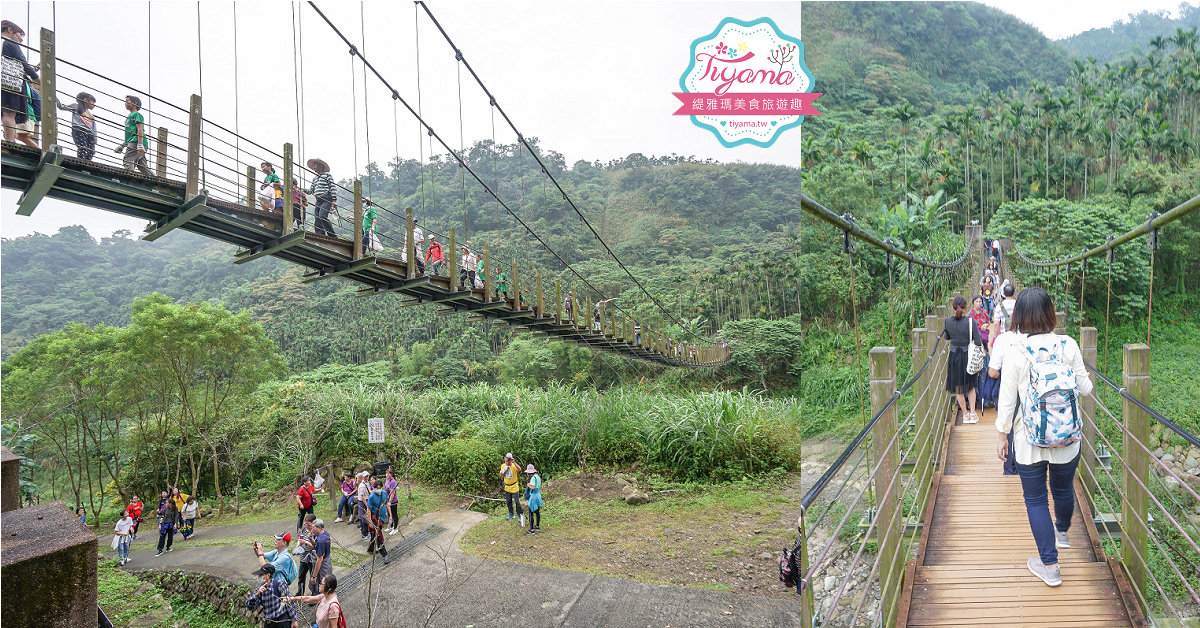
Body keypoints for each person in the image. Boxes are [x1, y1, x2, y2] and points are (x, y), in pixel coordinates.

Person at [995, 287, 1092, 587]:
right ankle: (1062, 531)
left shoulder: (1015, 352)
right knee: (1063, 490)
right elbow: (1086, 389)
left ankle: (1050, 566)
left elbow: (1007, 402)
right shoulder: (1069, 345)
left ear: (1019, 316)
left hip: (1028, 442)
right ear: (1051, 313)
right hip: (1068, 440)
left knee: (1036, 500)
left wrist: (1002, 437)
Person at [942, 295, 984, 424]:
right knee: (971, 386)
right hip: (968, 356)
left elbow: (946, 337)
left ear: (953, 308)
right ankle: (972, 413)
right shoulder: (970, 322)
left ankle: (965, 415)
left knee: (959, 387)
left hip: (955, 357)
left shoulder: (947, 321)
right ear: (966, 307)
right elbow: (977, 341)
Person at [1, 20, 38, 143]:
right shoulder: (10, 43)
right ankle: (10, 141)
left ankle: (8, 139)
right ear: (10, 30)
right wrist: (38, 79)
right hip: (9, 82)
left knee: (5, 114)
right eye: (19, 34)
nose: (21, 39)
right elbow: (23, 64)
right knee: (9, 113)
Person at [245, 562, 297, 628]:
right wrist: (256, 595)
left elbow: (289, 602)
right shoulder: (260, 589)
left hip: (282, 621)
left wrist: (294, 620)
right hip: (269, 623)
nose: (259, 577)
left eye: (261, 575)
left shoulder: (279, 584)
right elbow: (249, 606)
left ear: (268, 575)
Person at [115, 95, 150, 175]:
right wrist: (122, 146)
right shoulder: (129, 117)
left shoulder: (136, 114)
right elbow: (129, 135)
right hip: (136, 142)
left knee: (128, 160)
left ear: (134, 103)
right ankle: (155, 180)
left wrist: (140, 144)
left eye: (127, 101)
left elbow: (140, 129)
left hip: (136, 142)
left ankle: (129, 178)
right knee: (142, 166)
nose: (125, 103)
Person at [56, 91, 96, 160]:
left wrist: (95, 137)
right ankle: (81, 161)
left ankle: (87, 162)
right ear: (85, 100)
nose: (94, 105)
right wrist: (56, 99)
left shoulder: (91, 115)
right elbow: (62, 107)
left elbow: (94, 127)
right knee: (82, 147)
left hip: (90, 133)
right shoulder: (76, 107)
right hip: (79, 129)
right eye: (93, 102)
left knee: (91, 151)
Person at [305, 158, 336, 237]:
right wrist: (302, 189)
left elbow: (332, 187)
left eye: (315, 165)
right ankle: (320, 234)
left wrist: (334, 200)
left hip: (326, 199)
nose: (314, 167)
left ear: (320, 166)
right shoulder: (315, 178)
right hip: (318, 200)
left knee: (322, 216)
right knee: (317, 218)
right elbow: (311, 191)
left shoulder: (327, 175)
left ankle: (332, 235)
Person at [293, 514, 317, 597]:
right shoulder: (304, 529)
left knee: (312, 577)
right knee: (301, 576)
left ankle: (314, 594)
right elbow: (300, 538)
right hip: (303, 557)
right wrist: (298, 545)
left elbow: (315, 546)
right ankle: (300, 592)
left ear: (313, 523)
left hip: (311, 558)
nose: (306, 525)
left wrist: (306, 542)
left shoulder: (315, 532)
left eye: (308, 524)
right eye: (305, 523)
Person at [365, 479, 390, 558]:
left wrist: (391, 516)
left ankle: (370, 549)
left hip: (382, 517)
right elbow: (368, 510)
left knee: (374, 534)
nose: (378, 490)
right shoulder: (371, 497)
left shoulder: (384, 494)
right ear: (374, 488)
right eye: (377, 488)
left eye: (380, 488)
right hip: (375, 518)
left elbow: (387, 504)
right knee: (379, 535)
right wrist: (370, 522)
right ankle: (384, 554)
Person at [308, 519, 333, 596]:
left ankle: (320, 598)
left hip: (323, 565)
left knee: (322, 583)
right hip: (327, 562)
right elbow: (317, 546)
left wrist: (314, 576)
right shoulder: (325, 534)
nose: (312, 530)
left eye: (313, 528)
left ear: (319, 527)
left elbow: (319, 560)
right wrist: (311, 539)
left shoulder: (321, 541)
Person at [500, 453, 523, 524]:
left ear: (511, 461)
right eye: (505, 461)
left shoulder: (513, 466)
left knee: (517, 501)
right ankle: (511, 513)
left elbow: (519, 469)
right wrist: (504, 470)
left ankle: (520, 515)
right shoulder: (503, 466)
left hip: (514, 486)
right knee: (508, 501)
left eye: (508, 461)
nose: (507, 463)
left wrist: (514, 462)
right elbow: (501, 475)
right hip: (507, 486)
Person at [525, 463, 543, 534]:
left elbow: (532, 487)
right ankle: (537, 526)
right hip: (538, 495)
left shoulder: (533, 478)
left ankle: (531, 529)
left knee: (531, 513)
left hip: (534, 496)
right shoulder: (538, 477)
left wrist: (528, 485)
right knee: (537, 512)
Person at [355, 471, 371, 540]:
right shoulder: (361, 485)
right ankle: (364, 533)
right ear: (363, 477)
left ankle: (365, 532)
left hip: (366, 500)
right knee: (363, 518)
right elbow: (363, 497)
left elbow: (368, 491)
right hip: (362, 502)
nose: (367, 477)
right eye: (365, 476)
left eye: (368, 476)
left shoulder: (366, 483)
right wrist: (367, 505)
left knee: (365, 517)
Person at [384, 467, 400, 535]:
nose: (387, 475)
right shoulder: (387, 480)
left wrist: (390, 501)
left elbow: (393, 493)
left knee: (394, 514)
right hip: (387, 499)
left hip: (393, 501)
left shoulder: (393, 482)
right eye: (386, 473)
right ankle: (391, 526)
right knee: (389, 514)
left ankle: (395, 528)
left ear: (392, 474)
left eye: (389, 473)